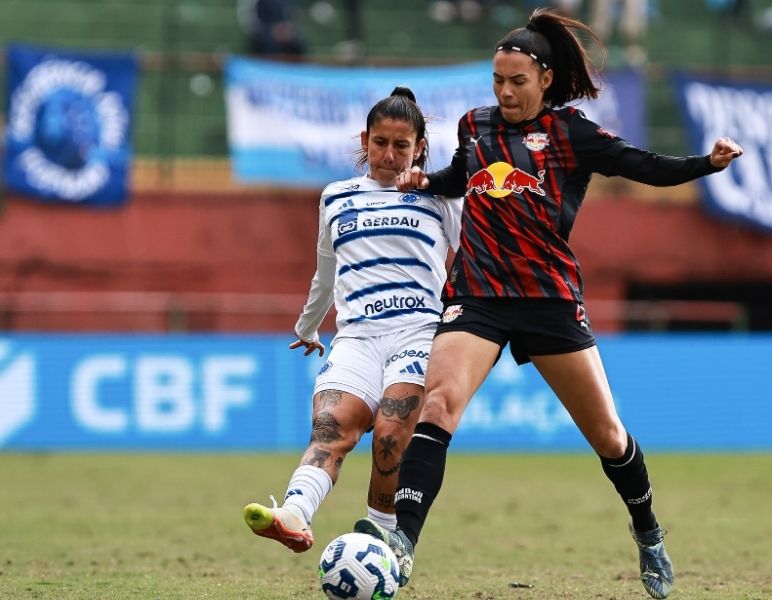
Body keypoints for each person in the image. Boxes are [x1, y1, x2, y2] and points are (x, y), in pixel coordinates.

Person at [351, 8, 742, 599]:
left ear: (546, 80)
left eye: (517, 82)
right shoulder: (472, 125)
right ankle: (402, 544)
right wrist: (427, 182)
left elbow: (644, 167)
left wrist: (704, 165)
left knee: (608, 436)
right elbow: (464, 175)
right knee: (438, 404)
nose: (505, 93)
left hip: (547, 300)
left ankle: (649, 532)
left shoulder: (571, 133)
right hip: (478, 294)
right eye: (498, 82)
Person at [243, 87, 463, 553]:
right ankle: (293, 515)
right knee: (330, 428)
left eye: (401, 146)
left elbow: (472, 256)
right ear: (365, 140)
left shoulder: (438, 194)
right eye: (380, 142)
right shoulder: (336, 197)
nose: (388, 155)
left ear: (420, 146)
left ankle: (381, 538)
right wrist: (307, 326)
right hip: (356, 335)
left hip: (418, 331)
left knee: (390, 432)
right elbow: (325, 273)